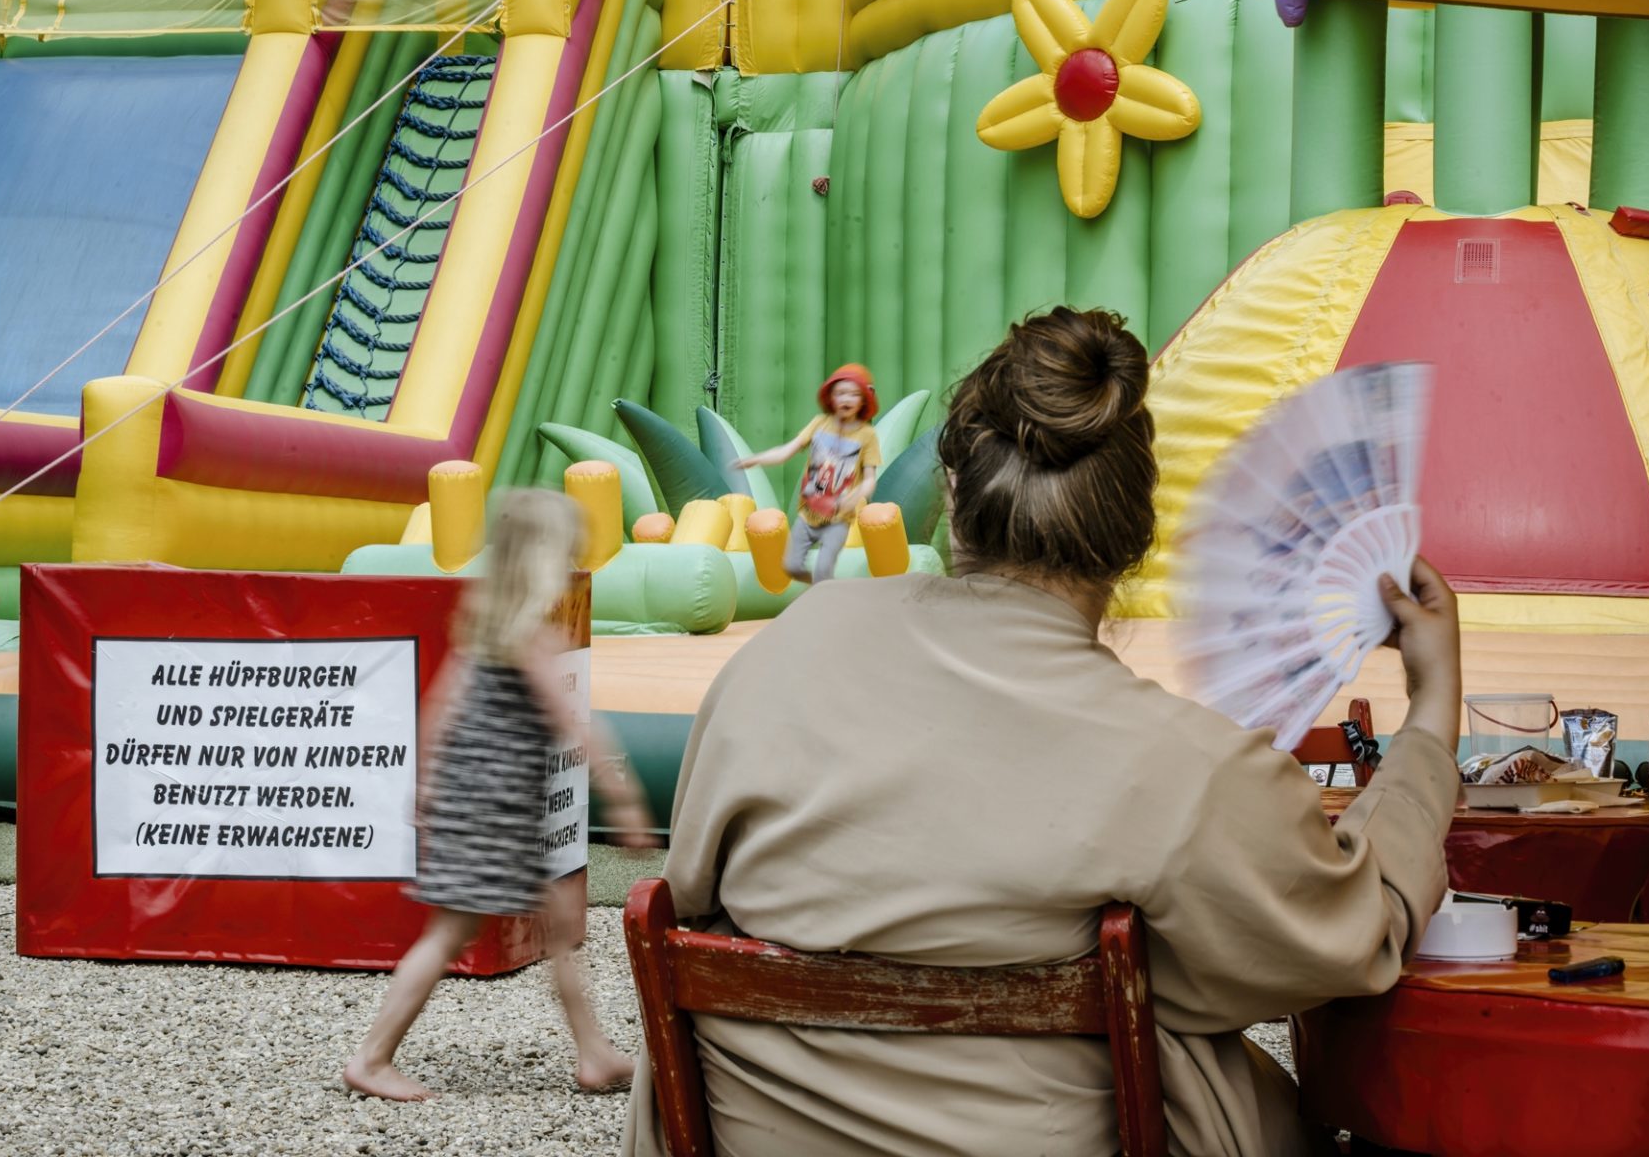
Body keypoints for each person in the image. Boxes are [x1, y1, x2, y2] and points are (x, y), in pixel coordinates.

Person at [623, 307, 1462, 1157]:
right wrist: (1432, 710)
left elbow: (690, 902)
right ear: (1134, 537)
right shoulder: (1184, 768)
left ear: (953, 497)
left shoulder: (788, 653)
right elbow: (1352, 940)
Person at [345, 488, 657, 1103]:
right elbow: (578, 725)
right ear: (545, 558)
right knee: (449, 934)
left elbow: (439, 706)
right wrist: (625, 800)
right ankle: (372, 1057)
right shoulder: (527, 637)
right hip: (493, 812)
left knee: (561, 926)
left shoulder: (486, 624)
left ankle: (592, 1051)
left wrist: (426, 783)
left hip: (490, 807)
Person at [735, 363, 882, 585]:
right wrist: (756, 459)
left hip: (838, 519)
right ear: (831, 398)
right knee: (791, 567)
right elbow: (787, 451)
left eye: (854, 394)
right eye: (841, 393)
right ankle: (819, 591)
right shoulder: (819, 424)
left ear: (863, 400)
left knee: (824, 569)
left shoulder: (867, 435)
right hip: (808, 515)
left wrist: (856, 496)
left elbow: (870, 479)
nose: (846, 399)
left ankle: (823, 597)